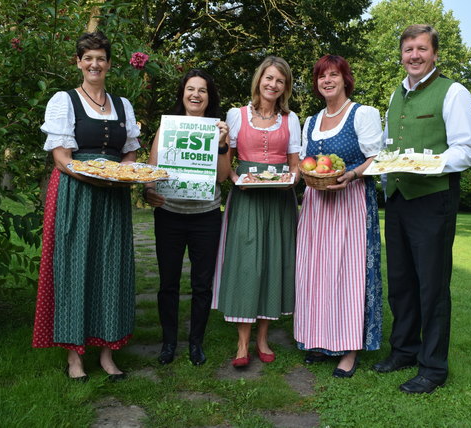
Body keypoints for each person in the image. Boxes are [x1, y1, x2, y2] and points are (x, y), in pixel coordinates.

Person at [372, 24, 471, 393]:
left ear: (434, 53)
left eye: (421, 49)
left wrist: (427, 165)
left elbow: (465, 150)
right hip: (399, 199)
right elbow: (391, 144)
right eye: (407, 50)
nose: (413, 55)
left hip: (433, 199)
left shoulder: (453, 92)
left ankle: (432, 368)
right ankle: (403, 350)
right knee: (400, 283)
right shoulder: (395, 95)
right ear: (401, 55)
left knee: (432, 286)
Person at [32, 31, 141, 382]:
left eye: (101, 58)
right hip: (76, 193)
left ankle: (108, 352)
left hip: (114, 195)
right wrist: (94, 177)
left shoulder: (123, 105)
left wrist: (122, 173)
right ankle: (74, 356)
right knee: (74, 267)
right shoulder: (64, 101)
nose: (95, 64)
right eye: (88, 58)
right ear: (78, 62)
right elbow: (62, 158)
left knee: (112, 268)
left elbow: (130, 150)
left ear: (109, 64)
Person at [294, 55, 384, 378]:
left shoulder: (363, 114)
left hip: (351, 204)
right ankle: (319, 339)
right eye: (322, 76)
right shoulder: (311, 121)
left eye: (334, 74)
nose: (327, 80)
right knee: (317, 274)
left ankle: (349, 349)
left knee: (348, 275)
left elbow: (377, 158)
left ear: (346, 79)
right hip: (317, 207)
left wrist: (354, 174)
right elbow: (307, 162)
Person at [211, 56, 301, 367]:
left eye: (280, 80)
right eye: (269, 78)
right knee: (246, 264)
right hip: (246, 197)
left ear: (285, 87)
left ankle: (263, 338)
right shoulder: (236, 115)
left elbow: (295, 166)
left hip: (278, 201)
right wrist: (237, 179)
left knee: (272, 264)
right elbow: (225, 167)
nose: (273, 85)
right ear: (259, 80)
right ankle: (242, 342)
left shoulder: (291, 120)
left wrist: (290, 181)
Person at [143, 69, 230, 366]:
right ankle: (169, 343)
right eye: (190, 89)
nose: (196, 94)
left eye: (202, 90)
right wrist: (149, 190)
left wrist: (221, 144)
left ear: (209, 97)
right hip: (169, 214)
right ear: (183, 93)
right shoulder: (167, 127)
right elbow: (152, 170)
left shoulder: (218, 129)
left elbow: (221, 177)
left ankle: (196, 344)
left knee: (202, 284)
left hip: (205, 216)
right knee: (168, 282)